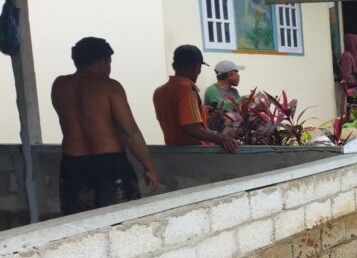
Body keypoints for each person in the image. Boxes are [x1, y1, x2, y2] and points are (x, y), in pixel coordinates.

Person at [51, 37, 158, 215]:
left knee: (78, 223)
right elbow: (129, 131)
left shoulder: (59, 85)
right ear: (102, 61)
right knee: (119, 221)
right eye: (109, 62)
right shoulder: (110, 87)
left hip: (72, 164)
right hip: (110, 164)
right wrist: (149, 167)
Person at [153, 45, 240, 153]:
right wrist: (223, 139)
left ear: (174, 66)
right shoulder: (186, 88)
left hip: (173, 151)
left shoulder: (159, 91)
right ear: (196, 67)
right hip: (195, 152)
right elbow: (191, 127)